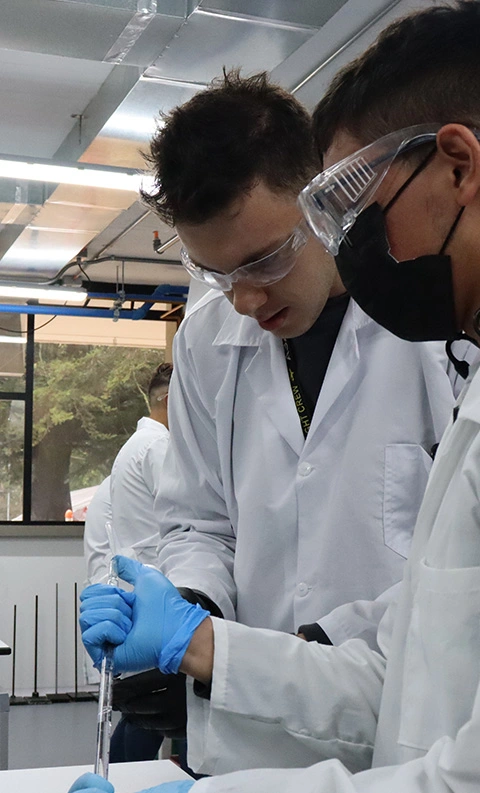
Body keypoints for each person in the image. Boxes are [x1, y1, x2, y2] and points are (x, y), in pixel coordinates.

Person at [74, 2, 480, 792]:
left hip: (377, 727)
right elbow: (198, 516)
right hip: (303, 713)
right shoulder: (206, 340)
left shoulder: (432, 317)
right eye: (217, 276)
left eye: (264, 259)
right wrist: (192, 619)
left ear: (325, 206)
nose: (243, 300)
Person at [83, 362, 174, 764]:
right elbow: (187, 521)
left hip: (140, 593)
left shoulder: (136, 447)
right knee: (153, 714)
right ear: (170, 401)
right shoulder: (158, 447)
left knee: (142, 711)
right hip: (158, 593)